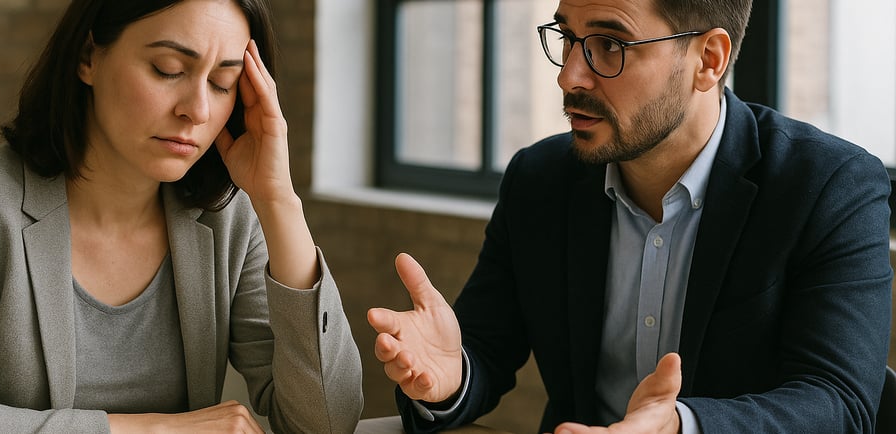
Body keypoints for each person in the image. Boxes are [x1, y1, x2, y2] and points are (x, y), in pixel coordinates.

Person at [367, 0, 893, 433]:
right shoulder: (539, 180)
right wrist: (451, 379)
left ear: (708, 60)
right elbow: (483, 349)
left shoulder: (829, 186)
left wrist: (681, 427)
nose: (569, 76)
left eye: (610, 46)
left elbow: (839, 403)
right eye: (567, 37)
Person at [0, 0, 363, 432]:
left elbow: (325, 423)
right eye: (168, 69)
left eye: (222, 83)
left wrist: (278, 201)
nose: (197, 110)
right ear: (88, 56)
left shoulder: (226, 218)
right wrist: (156, 431)